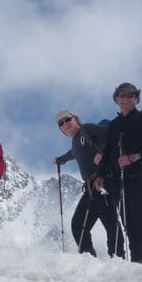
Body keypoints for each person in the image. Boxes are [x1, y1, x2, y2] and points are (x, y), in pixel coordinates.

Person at [99, 82, 142, 264]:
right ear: (116, 99)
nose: (125, 99)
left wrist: (133, 157)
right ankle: (136, 263)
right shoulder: (115, 125)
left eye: (130, 95)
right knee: (128, 223)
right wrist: (100, 174)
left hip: (139, 178)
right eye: (121, 95)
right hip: (119, 181)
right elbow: (108, 152)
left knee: (141, 220)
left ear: (136, 99)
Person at [53, 109, 125, 258]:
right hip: (90, 189)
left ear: (76, 119)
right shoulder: (75, 143)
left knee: (110, 225)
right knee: (78, 225)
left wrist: (103, 153)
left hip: (104, 181)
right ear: (61, 129)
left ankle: (118, 259)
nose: (65, 124)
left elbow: (113, 135)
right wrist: (61, 159)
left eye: (68, 119)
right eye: (61, 123)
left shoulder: (87, 129)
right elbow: (73, 153)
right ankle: (89, 260)